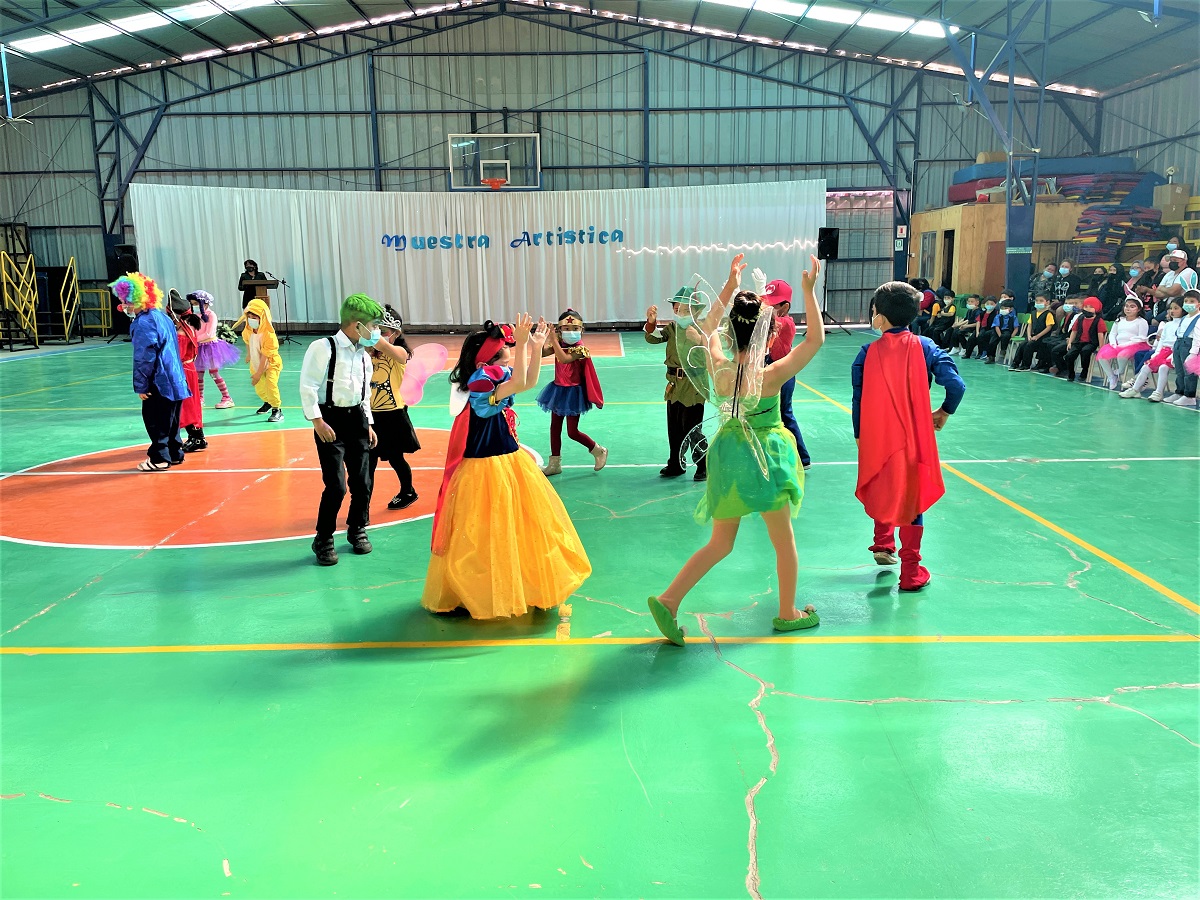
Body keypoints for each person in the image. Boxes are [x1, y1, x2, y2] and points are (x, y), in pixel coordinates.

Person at [647, 255, 826, 646]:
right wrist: (810, 292)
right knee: (784, 542)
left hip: (728, 454)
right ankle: (787, 612)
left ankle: (669, 599)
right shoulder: (771, 375)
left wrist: (729, 285)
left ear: (731, 329)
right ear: (769, 328)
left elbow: (705, 325)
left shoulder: (718, 366)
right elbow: (815, 340)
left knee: (720, 543)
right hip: (768, 460)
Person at [422, 316, 592, 619]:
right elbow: (521, 382)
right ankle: (484, 593)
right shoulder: (482, 385)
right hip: (487, 468)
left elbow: (526, 382)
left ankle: (510, 588)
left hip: (504, 461)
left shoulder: (488, 379)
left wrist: (535, 345)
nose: (510, 355)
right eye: (506, 352)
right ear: (491, 361)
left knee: (503, 532)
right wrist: (527, 343)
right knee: (491, 535)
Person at [854, 281, 965, 592]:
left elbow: (858, 400)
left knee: (881, 484)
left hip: (878, 438)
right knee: (911, 500)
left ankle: (882, 544)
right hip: (913, 439)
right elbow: (957, 386)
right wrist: (944, 412)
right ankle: (911, 572)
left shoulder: (866, 353)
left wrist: (860, 435)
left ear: (879, 316)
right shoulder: (927, 348)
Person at [298, 294, 384, 566]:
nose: (376, 331)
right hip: (330, 422)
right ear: (357, 325)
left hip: (357, 420)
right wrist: (317, 421)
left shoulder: (363, 355)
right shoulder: (323, 347)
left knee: (362, 482)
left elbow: (364, 393)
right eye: (373, 324)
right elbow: (308, 386)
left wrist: (368, 423)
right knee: (336, 485)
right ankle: (323, 537)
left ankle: (357, 527)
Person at [112, 273, 189, 472]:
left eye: (126, 302)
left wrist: (141, 385)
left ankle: (159, 458)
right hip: (175, 378)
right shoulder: (162, 317)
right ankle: (174, 453)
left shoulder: (143, 322)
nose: (124, 306)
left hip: (159, 380)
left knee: (156, 420)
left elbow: (144, 357)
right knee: (171, 419)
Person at [645, 288, 709, 481]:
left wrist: (698, 339)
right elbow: (653, 338)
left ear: (696, 310)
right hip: (674, 384)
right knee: (674, 426)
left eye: (685, 308)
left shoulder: (703, 328)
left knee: (692, 427)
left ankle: (703, 465)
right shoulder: (672, 328)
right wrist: (651, 322)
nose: (679, 311)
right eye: (677, 307)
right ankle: (676, 463)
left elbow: (712, 353)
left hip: (694, 383)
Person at [536, 309, 607, 477]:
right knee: (554, 427)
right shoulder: (559, 342)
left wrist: (554, 341)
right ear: (560, 330)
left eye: (574, 329)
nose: (570, 332)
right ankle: (554, 463)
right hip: (558, 390)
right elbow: (542, 354)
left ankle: (598, 450)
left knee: (572, 431)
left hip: (573, 393)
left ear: (582, 330)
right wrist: (539, 340)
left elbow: (564, 359)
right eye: (566, 329)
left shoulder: (580, 349)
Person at [756, 273, 813, 470]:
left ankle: (802, 457)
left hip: (783, 373)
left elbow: (763, 321)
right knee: (775, 414)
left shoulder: (786, 323)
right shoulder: (772, 319)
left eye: (773, 305)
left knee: (784, 415)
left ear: (785, 306)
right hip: (772, 370)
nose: (768, 308)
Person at [368, 306, 422, 511]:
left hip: (392, 414)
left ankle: (408, 490)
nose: (378, 335)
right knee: (368, 462)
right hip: (370, 415)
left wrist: (374, 336)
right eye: (375, 329)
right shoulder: (369, 352)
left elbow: (388, 348)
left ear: (396, 333)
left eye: (382, 331)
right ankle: (363, 504)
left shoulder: (399, 353)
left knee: (396, 458)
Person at [1120, 299, 1184, 402]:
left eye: (1176, 308)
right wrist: (1157, 353)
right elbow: (1162, 341)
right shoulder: (1167, 325)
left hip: (1175, 353)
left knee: (1163, 367)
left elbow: (1180, 342)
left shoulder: (1184, 324)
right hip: (1163, 351)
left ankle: (1159, 392)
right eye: (1171, 308)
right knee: (1146, 367)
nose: (1172, 311)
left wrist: (1173, 355)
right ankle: (1135, 389)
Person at [168, 289, 206, 453]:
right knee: (192, 404)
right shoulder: (189, 327)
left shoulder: (181, 333)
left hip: (183, 371)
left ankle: (197, 438)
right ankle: (197, 436)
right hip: (189, 369)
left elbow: (178, 356)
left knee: (187, 405)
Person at [233, 298, 283, 421]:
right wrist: (249, 354)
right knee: (260, 388)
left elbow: (266, 355)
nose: (251, 320)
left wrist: (259, 373)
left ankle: (277, 409)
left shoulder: (268, 335)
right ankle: (268, 402)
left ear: (262, 317)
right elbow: (247, 342)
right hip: (256, 361)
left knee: (271, 384)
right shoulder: (248, 331)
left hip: (270, 363)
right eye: (249, 316)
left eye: (254, 317)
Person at [189, 290, 238, 409]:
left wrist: (193, 339)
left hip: (210, 347)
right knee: (198, 374)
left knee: (213, 372)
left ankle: (227, 398)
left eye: (196, 303)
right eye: (192, 304)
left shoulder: (211, 315)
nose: (194, 306)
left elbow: (209, 333)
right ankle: (200, 398)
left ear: (204, 303)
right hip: (198, 347)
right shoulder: (193, 315)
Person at [1096, 298, 1151, 390]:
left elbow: (1141, 338)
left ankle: (1120, 371)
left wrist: (1125, 345)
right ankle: (1112, 376)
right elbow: (1113, 333)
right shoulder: (1119, 320)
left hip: (1135, 345)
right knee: (1102, 356)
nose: (1128, 309)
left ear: (1139, 309)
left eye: (1132, 307)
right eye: (1126, 306)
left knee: (1122, 355)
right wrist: (1113, 343)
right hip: (1117, 345)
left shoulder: (1141, 322)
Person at [1054, 296, 1107, 383]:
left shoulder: (1099, 321)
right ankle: (1071, 373)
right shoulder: (1080, 318)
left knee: (1085, 351)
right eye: (1086, 306)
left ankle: (1084, 371)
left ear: (1096, 309)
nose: (1088, 309)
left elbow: (1100, 335)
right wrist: (1070, 342)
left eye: (1091, 307)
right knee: (1069, 356)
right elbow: (1074, 331)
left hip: (1091, 343)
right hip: (1078, 342)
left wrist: (1101, 347)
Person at [1167, 289, 1200, 408]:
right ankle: (1179, 392)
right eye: (1186, 301)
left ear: (1198, 304)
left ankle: (1189, 396)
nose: (1188, 303)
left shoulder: (1198, 319)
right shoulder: (1184, 318)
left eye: (1192, 301)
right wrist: (1173, 353)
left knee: (1188, 373)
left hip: (1189, 346)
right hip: (1179, 344)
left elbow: (1197, 338)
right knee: (1179, 371)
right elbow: (1179, 334)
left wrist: (1192, 353)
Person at [1011, 295, 1057, 371]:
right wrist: (1029, 335)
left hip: (1043, 338)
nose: (1038, 303)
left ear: (1047, 302)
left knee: (1029, 345)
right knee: (1022, 344)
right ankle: (1016, 363)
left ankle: (1026, 365)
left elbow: (1048, 327)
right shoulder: (1033, 313)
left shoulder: (1048, 314)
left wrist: (1037, 336)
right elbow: (1030, 325)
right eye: (1037, 301)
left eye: (1041, 301)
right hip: (1032, 336)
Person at [983, 294, 1019, 365]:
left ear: (1011, 309)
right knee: (992, 340)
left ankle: (1003, 350)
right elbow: (996, 326)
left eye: (1005, 308)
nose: (1003, 310)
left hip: (1008, 331)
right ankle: (991, 356)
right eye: (1002, 308)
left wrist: (1012, 335)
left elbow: (1016, 328)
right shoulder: (998, 316)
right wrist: (999, 335)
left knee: (1006, 335)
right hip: (998, 330)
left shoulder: (1013, 317)